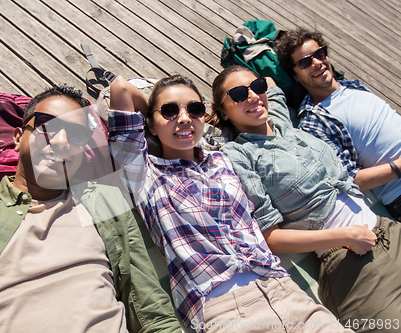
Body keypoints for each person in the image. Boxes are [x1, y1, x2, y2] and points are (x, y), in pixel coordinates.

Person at [0, 82, 182, 333]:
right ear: (17, 137)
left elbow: (150, 307)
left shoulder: (105, 200)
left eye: (76, 134)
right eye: (47, 126)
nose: (61, 141)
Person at [108, 74, 352, 333]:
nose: (183, 118)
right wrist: (154, 114)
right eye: (170, 111)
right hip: (225, 312)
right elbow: (120, 86)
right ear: (150, 126)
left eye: (194, 109)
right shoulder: (143, 173)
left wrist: (163, 117)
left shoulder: (222, 160)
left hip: (284, 290)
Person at [209, 64, 401, 333]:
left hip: (388, 230)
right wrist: (346, 237)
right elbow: (271, 238)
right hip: (352, 259)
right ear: (222, 112)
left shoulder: (282, 123)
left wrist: (258, 86)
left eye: (257, 88)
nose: (253, 96)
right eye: (239, 94)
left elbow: (271, 82)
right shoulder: (238, 154)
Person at [275, 27, 401, 221]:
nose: (317, 63)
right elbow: (349, 180)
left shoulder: (354, 86)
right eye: (305, 62)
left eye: (320, 54)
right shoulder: (315, 122)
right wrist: (398, 167)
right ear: (295, 75)